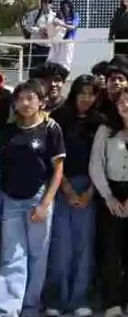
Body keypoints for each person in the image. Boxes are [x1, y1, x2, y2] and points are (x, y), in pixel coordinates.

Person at [0, 81, 66, 317]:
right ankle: (8, 309)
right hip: (10, 200)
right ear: (15, 103)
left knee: (38, 256)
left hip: (38, 198)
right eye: (21, 98)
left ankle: (30, 307)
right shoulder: (7, 131)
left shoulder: (50, 129)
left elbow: (57, 170)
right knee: (12, 256)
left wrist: (45, 203)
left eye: (31, 97)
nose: (26, 103)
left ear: (40, 101)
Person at [89, 87, 128, 317]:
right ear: (116, 107)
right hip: (110, 191)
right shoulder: (105, 131)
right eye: (122, 102)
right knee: (111, 249)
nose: (127, 105)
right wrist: (108, 196)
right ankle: (112, 301)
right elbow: (96, 164)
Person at [44, 76, 104, 317]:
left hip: (90, 186)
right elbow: (53, 158)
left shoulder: (100, 122)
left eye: (91, 93)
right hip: (61, 185)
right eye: (82, 93)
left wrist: (90, 191)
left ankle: (80, 299)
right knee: (61, 246)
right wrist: (66, 188)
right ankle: (56, 300)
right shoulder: (59, 118)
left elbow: (102, 161)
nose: (86, 98)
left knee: (83, 246)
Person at [21, 0, 55, 70]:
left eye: (49, 3)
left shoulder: (54, 15)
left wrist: (49, 32)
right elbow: (28, 26)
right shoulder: (34, 13)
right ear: (42, 4)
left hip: (48, 44)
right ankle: (33, 80)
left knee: (46, 66)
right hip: (37, 43)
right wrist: (39, 30)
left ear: (52, 4)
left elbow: (57, 29)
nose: (47, 5)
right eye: (45, 3)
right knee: (35, 66)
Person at [47, 0, 80, 72]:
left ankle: (65, 73)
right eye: (64, 7)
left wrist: (62, 24)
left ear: (70, 7)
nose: (66, 9)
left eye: (67, 7)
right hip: (59, 39)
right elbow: (52, 26)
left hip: (69, 39)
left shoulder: (75, 15)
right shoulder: (59, 15)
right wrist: (55, 22)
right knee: (56, 58)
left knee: (67, 58)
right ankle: (56, 73)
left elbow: (73, 27)